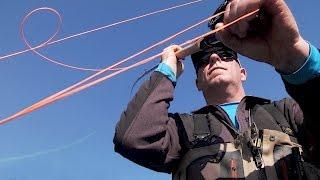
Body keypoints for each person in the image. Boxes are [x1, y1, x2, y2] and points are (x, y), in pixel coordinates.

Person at [113, 0, 320, 179]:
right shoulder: (182, 130)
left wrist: (295, 57)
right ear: (197, 83)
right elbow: (133, 139)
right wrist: (167, 69)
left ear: (243, 72)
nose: (213, 58)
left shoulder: (287, 112)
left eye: (226, 54)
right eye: (202, 60)